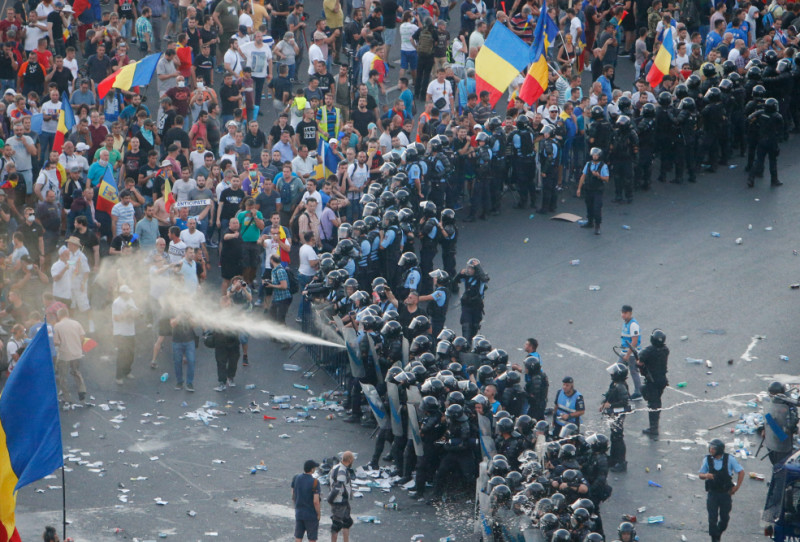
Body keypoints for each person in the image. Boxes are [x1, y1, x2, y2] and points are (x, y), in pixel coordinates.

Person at [698, 439, 745, 542]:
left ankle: (719, 532)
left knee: (724, 518)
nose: (711, 450)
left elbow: (741, 472)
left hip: (725, 494)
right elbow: (700, 475)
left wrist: (736, 488)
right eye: (710, 448)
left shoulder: (730, 459)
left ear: (719, 450)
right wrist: (706, 475)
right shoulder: (707, 460)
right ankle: (714, 538)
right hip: (713, 494)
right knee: (712, 518)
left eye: (713, 449)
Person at [52, 306, 87, 407]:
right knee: (76, 372)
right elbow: (82, 337)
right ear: (67, 314)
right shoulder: (76, 323)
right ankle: (82, 390)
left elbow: (56, 342)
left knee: (63, 376)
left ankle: (67, 397)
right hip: (77, 353)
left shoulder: (57, 326)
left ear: (59, 316)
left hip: (64, 355)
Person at [638, 328, 669, 438]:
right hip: (662, 381)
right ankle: (654, 426)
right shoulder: (665, 350)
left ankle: (653, 428)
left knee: (653, 404)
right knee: (656, 402)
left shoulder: (649, 351)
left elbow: (640, 361)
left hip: (652, 381)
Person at [600, 362, 630, 473]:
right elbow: (609, 395)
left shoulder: (621, 386)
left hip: (618, 414)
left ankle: (622, 462)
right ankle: (613, 459)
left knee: (618, 437)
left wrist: (611, 405)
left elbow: (624, 401)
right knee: (614, 436)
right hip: (613, 413)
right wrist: (604, 403)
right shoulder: (614, 384)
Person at [761, 381, 798, 465]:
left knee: (781, 464)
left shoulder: (789, 404)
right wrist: (764, 428)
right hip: (772, 436)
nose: (771, 396)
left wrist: (784, 413)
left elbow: (792, 424)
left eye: (773, 394)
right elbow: (768, 415)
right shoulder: (771, 401)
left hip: (783, 437)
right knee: (774, 461)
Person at [576, 147, 609, 235]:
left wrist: (599, 176)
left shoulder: (603, 166)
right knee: (589, 206)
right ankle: (590, 222)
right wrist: (579, 188)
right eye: (593, 155)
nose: (594, 157)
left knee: (597, 208)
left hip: (598, 190)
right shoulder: (588, 164)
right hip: (588, 189)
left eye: (596, 155)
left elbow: (606, 179)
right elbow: (583, 176)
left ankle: (597, 225)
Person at [454, 257, 488, 340]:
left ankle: (470, 344)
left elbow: (485, 278)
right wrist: (459, 274)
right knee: (466, 327)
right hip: (467, 305)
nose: (468, 270)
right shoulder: (466, 277)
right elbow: (454, 281)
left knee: (474, 327)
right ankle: (465, 344)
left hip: (477, 306)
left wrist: (478, 266)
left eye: (471, 268)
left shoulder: (480, 278)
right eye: (468, 268)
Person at [213, 295, 241, 391]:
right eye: (223, 302)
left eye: (227, 301)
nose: (226, 304)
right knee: (221, 361)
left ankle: (231, 377)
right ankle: (222, 381)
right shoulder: (216, 312)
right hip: (220, 340)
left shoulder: (235, 312)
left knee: (234, 360)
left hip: (233, 340)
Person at [112, 285, 138, 384]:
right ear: (122, 293)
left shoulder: (130, 300)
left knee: (131, 354)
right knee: (122, 354)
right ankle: (119, 377)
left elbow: (135, 310)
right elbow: (116, 318)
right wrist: (127, 313)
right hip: (120, 332)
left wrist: (135, 313)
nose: (129, 295)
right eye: (127, 293)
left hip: (130, 331)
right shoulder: (117, 303)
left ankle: (127, 371)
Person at [292, 459, 322, 542]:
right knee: (312, 538)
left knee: (298, 537)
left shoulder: (297, 478)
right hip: (311, 515)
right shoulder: (315, 482)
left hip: (299, 513)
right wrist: (318, 514)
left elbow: (293, 494)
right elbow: (316, 501)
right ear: (312, 469)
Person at [328, 451, 354, 542]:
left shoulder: (336, 467)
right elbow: (337, 488)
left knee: (347, 522)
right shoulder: (342, 471)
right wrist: (331, 500)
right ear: (350, 460)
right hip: (340, 501)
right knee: (336, 525)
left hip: (342, 501)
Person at [619, 304, 642, 400]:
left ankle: (638, 392)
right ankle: (620, 391)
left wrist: (628, 355)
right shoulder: (625, 323)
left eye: (625, 313)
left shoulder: (633, 325)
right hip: (624, 352)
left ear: (630, 313)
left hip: (631, 354)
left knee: (633, 372)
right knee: (618, 371)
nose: (623, 315)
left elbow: (634, 342)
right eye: (622, 313)